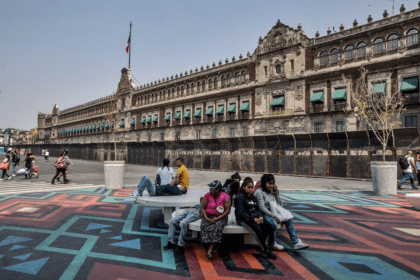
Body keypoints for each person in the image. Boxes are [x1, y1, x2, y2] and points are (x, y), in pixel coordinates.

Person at [254, 174, 309, 251]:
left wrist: (277, 194)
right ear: (264, 183)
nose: (271, 185)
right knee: (273, 223)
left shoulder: (271, 191)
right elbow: (261, 208)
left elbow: (280, 205)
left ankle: (296, 242)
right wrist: (273, 216)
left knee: (288, 219)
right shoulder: (259, 192)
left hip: (273, 212)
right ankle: (272, 243)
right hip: (263, 214)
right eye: (269, 183)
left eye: (272, 183)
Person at [234, 177, 277, 260]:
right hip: (243, 220)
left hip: (254, 218)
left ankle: (261, 248)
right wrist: (252, 220)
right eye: (248, 187)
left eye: (252, 187)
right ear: (244, 187)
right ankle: (265, 250)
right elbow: (241, 213)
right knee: (256, 230)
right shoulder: (241, 197)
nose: (250, 189)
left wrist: (260, 217)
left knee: (268, 225)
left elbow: (258, 209)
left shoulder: (253, 197)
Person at [200, 180, 231, 259]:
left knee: (216, 227)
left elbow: (227, 211)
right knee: (204, 225)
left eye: (212, 188)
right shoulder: (207, 196)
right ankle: (209, 244)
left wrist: (216, 218)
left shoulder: (226, 197)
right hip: (208, 216)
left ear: (217, 189)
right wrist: (206, 218)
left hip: (221, 218)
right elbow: (202, 208)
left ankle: (210, 249)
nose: (210, 190)